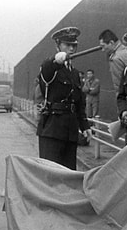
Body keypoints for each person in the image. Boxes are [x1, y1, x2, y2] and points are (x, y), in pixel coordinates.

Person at [36, 26, 91, 169]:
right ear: (58, 46)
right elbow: (46, 69)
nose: (71, 49)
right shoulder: (51, 68)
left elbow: (79, 104)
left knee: (69, 174)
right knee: (51, 174)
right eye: (67, 45)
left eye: (74, 45)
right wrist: (55, 60)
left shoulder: (75, 74)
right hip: (52, 129)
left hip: (70, 130)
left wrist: (85, 126)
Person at [99, 29, 127, 95]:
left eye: (103, 46)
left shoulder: (116, 58)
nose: (103, 50)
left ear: (111, 43)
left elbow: (119, 83)